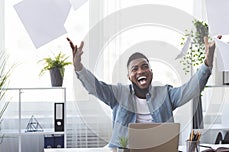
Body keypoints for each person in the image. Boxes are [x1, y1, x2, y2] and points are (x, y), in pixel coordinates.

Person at [67, 36, 218, 148]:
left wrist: (208, 61)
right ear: (129, 76)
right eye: (135, 69)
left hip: (161, 149)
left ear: (151, 72)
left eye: (145, 66)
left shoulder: (165, 93)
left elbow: (191, 89)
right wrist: (78, 65)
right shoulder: (118, 93)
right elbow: (95, 87)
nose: (141, 71)